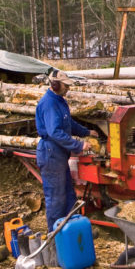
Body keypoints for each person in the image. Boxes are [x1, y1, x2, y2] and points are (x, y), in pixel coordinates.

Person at [36, 71, 99, 233]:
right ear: (55, 84)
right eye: (66, 85)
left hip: (59, 154)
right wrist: (78, 145)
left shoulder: (59, 101)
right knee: (56, 198)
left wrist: (86, 132)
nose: (68, 88)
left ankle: (70, 231)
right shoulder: (49, 103)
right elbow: (54, 132)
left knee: (69, 196)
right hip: (51, 154)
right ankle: (54, 236)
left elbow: (68, 122)